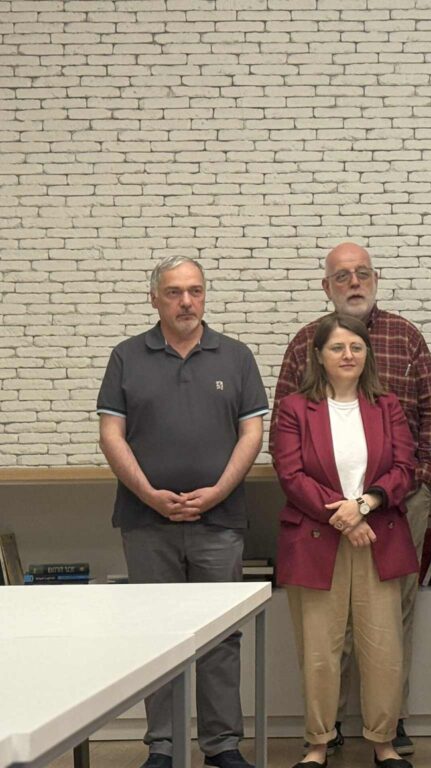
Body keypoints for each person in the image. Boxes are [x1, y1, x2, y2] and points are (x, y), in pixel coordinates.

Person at [271, 242, 431, 756]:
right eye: (342, 275)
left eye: (362, 273)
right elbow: (289, 466)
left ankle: (386, 734)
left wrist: (371, 503)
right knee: (322, 644)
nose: (353, 283)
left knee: (385, 636)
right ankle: (321, 739)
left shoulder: (398, 362)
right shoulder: (298, 389)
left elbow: (425, 424)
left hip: (388, 516)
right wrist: (344, 514)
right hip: (319, 526)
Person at [97, 256, 268, 768]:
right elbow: (111, 435)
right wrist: (149, 494)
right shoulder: (126, 356)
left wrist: (217, 492)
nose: (186, 302)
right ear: (154, 298)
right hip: (147, 521)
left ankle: (222, 745)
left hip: (219, 520)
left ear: (205, 295)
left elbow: (252, 433)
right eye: (174, 292)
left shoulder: (235, 356)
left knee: (221, 635)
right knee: (156, 635)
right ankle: (163, 746)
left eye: (195, 290)